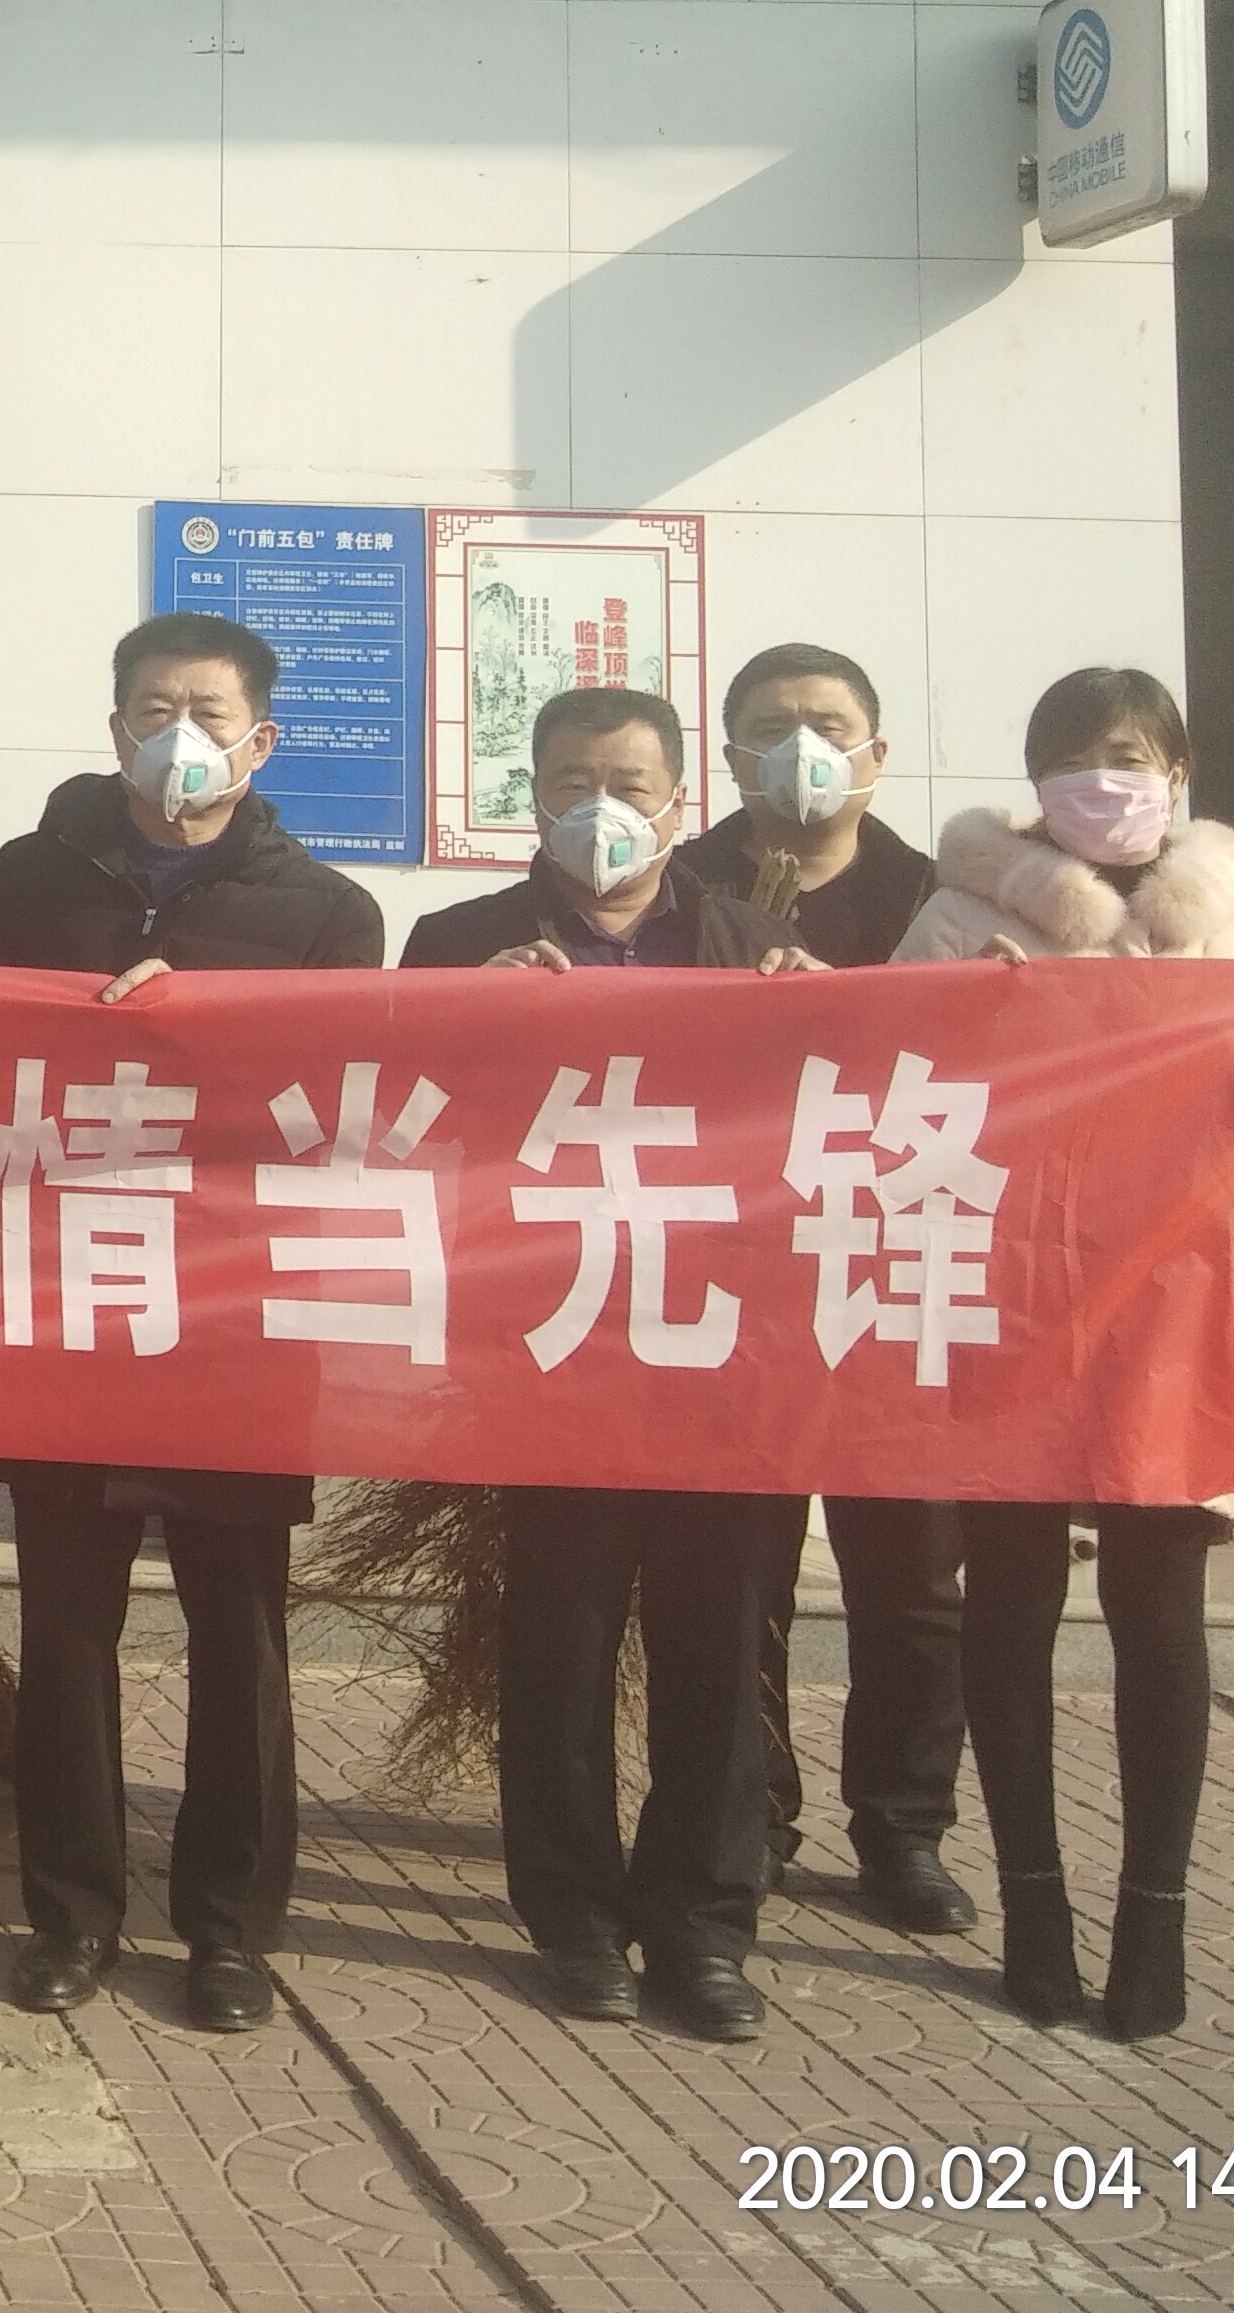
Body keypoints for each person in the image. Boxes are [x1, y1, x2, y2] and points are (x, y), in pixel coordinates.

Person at [894, 668, 1234, 2043]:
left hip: (1175, 1316)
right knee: (1010, 1599)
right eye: (1078, 756)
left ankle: (1154, 1917)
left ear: (1177, 771)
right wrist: (969, 1020)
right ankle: (1033, 1905)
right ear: (1035, 776)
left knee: (1159, 1614)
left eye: (1131, 754)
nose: (1106, 780)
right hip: (1015, 1304)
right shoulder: (957, 920)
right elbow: (896, 1099)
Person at [0, 613, 382, 2036]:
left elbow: (343, 1104)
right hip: (72, 1291)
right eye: (154, 708)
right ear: (115, 731)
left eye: (207, 710)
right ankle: (71, 1912)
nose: (179, 735)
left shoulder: (329, 911)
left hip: (234, 1314)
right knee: (67, 1623)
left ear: (262, 740)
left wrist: (210, 1022)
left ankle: (229, 1928)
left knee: (239, 1629)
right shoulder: (33, 875)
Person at [403, 683, 812, 2045]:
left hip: (720, 1356)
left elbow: (847, 1121)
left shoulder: (756, 947)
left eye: (629, 786)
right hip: (554, 1347)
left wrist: (826, 1018)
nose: (602, 810)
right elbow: (393, 1117)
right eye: (573, 783)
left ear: (680, 803)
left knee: (719, 1648)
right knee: (560, 1643)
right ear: (533, 797)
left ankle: (704, 1923)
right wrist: (463, 1021)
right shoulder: (459, 944)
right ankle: (572, 1915)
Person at [665, 642, 972, 1936]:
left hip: (893, 1270)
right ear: (730, 755)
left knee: (913, 1578)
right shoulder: (679, 893)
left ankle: (904, 1829)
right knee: (741, 1580)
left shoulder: (941, 900)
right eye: (774, 726)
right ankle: (757, 1811)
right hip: (737, 1284)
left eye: (830, 726)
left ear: (877, 752)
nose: (804, 749)